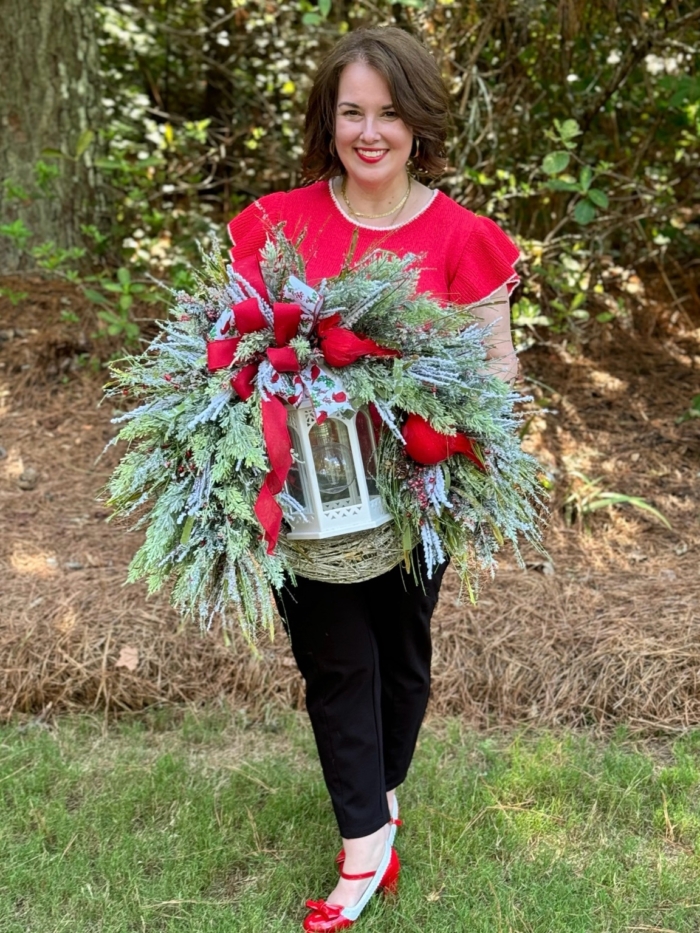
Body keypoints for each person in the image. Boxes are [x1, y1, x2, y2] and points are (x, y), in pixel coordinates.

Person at [227, 26, 520, 932]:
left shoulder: (463, 237)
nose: (369, 132)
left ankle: (381, 801)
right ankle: (361, 850)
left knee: (400, 656)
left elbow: (498, 369)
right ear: (329, 120)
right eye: (352, 112)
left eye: (388, 113)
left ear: (417, 122)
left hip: (415, 496)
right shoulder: (277, 223)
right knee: (336, 658)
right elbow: (230, 344)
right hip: (305, 496)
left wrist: (447, 419)